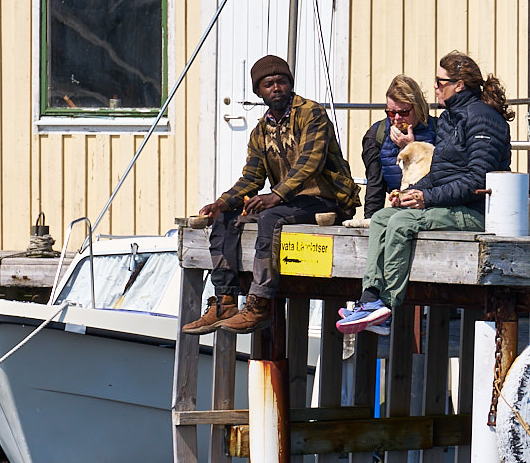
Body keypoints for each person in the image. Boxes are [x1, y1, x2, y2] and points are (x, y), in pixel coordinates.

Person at [337, 51, 510, 334]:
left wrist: (426, 198)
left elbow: (478, 181)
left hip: (477, 211)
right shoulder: (451, 118)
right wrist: (411, 192)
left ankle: (387, 307)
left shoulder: (483, 119)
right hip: (451, 205)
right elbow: (440, 173)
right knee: (384, 216)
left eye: (440, 82)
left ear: (460, 85)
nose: (435, 87)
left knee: (402, 222)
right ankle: (369, 297)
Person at [186, 54, 359, 335]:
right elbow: (251, 177)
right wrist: (222, 202)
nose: (276, 88)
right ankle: (225, 300)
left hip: (325, 200)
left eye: (281, 81)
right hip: (289, 201)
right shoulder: (260, 131)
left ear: (290, 84)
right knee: (228, 217)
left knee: (269, 218)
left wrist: (275, 196)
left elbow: (310, 163)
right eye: (268, 84)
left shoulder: (311, 114)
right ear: (259, 91)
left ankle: (259, 303)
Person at [358, 75, 434, 218]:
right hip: (400, 209)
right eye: (391, 112)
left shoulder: (438, 129)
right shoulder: (377, 135)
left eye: (404, 112)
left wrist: (411, 148)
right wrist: (370, 221)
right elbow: (375, 186)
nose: (397, 118)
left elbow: (443, 175)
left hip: (431, 207)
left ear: (417, 108)